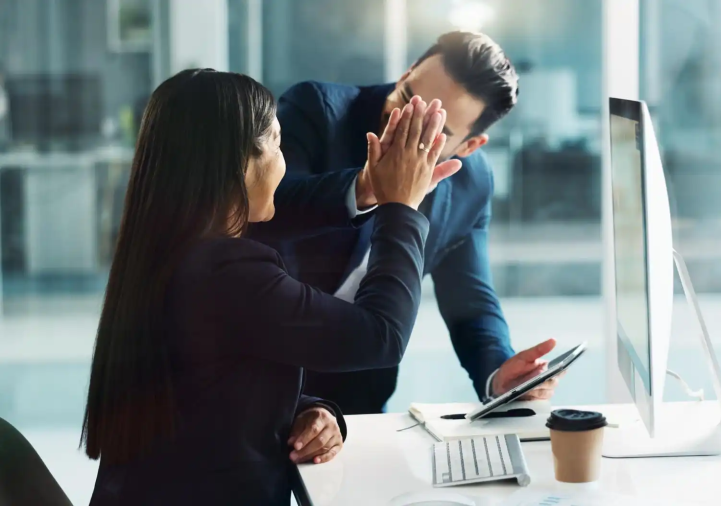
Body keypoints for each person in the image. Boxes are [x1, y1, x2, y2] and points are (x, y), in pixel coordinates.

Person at [81, 68, 454, 505]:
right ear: (238, 160)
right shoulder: (228, 274)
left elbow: (211, 389)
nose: (284, 165)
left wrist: (314, 411)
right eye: (278, 143)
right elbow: (380, 337)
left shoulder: (164, 252)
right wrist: (401, 208)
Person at [249, 31, 563, 415]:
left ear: (468, 146)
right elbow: (266, 208)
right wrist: (369, 187)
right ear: (406, 73)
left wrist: (499, 374)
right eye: (406, 101)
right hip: (256, 381)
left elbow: (471, 301)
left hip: (356, 397)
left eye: (432, 130)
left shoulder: (471, 182)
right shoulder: (317, 108)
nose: (402, 128)